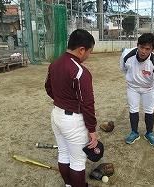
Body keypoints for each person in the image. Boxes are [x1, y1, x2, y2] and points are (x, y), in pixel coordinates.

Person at [45, 29, 98, 187]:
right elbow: (87, 104)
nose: (89, 55)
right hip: (72, 121)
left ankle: (69, 185)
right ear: (81, 49)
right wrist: (92, 130)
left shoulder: (54, 64)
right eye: (89, 51)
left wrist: (61, 100)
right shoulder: (80, 71)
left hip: (56, 115)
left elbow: (48, 88)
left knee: (63, 153)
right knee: (77, 161)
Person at [120, 33, 154, 146]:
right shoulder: (127, 55)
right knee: (133, 109)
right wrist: (132, 79)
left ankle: (149, 133)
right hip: (133, 87)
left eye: (147, 49)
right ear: (137, 45)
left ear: (152, 49)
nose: (143, 51)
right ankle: (134, 132)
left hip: (149, 88)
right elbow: (123, 68)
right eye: (141, 47)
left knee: (149, 110)